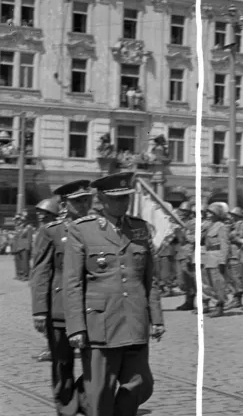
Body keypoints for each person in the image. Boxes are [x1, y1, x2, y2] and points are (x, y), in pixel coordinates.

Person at [63, 172, 165, 416]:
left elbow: (149, 278)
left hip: (135, 320)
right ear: (101, 200)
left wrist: (157, 318)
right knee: (100, 391)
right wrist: (76, 327)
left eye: (125, 198)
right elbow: (73, 282)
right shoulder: (82, 230)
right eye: (116, 199)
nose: (122, 203)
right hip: (101, 323)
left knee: (141, 384)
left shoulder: (139, 229)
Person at [31, 180, 93, 416]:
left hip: (91, 307)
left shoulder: (98, 228)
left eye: (87, 199)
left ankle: (87, 403)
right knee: (63, 363)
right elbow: (41, 271)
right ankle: (66, 408)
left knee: (96, 364)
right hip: (60, 309)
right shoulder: (52, 231)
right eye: (79, 201)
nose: (85, 205)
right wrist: (39, 310)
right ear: (65, 203)